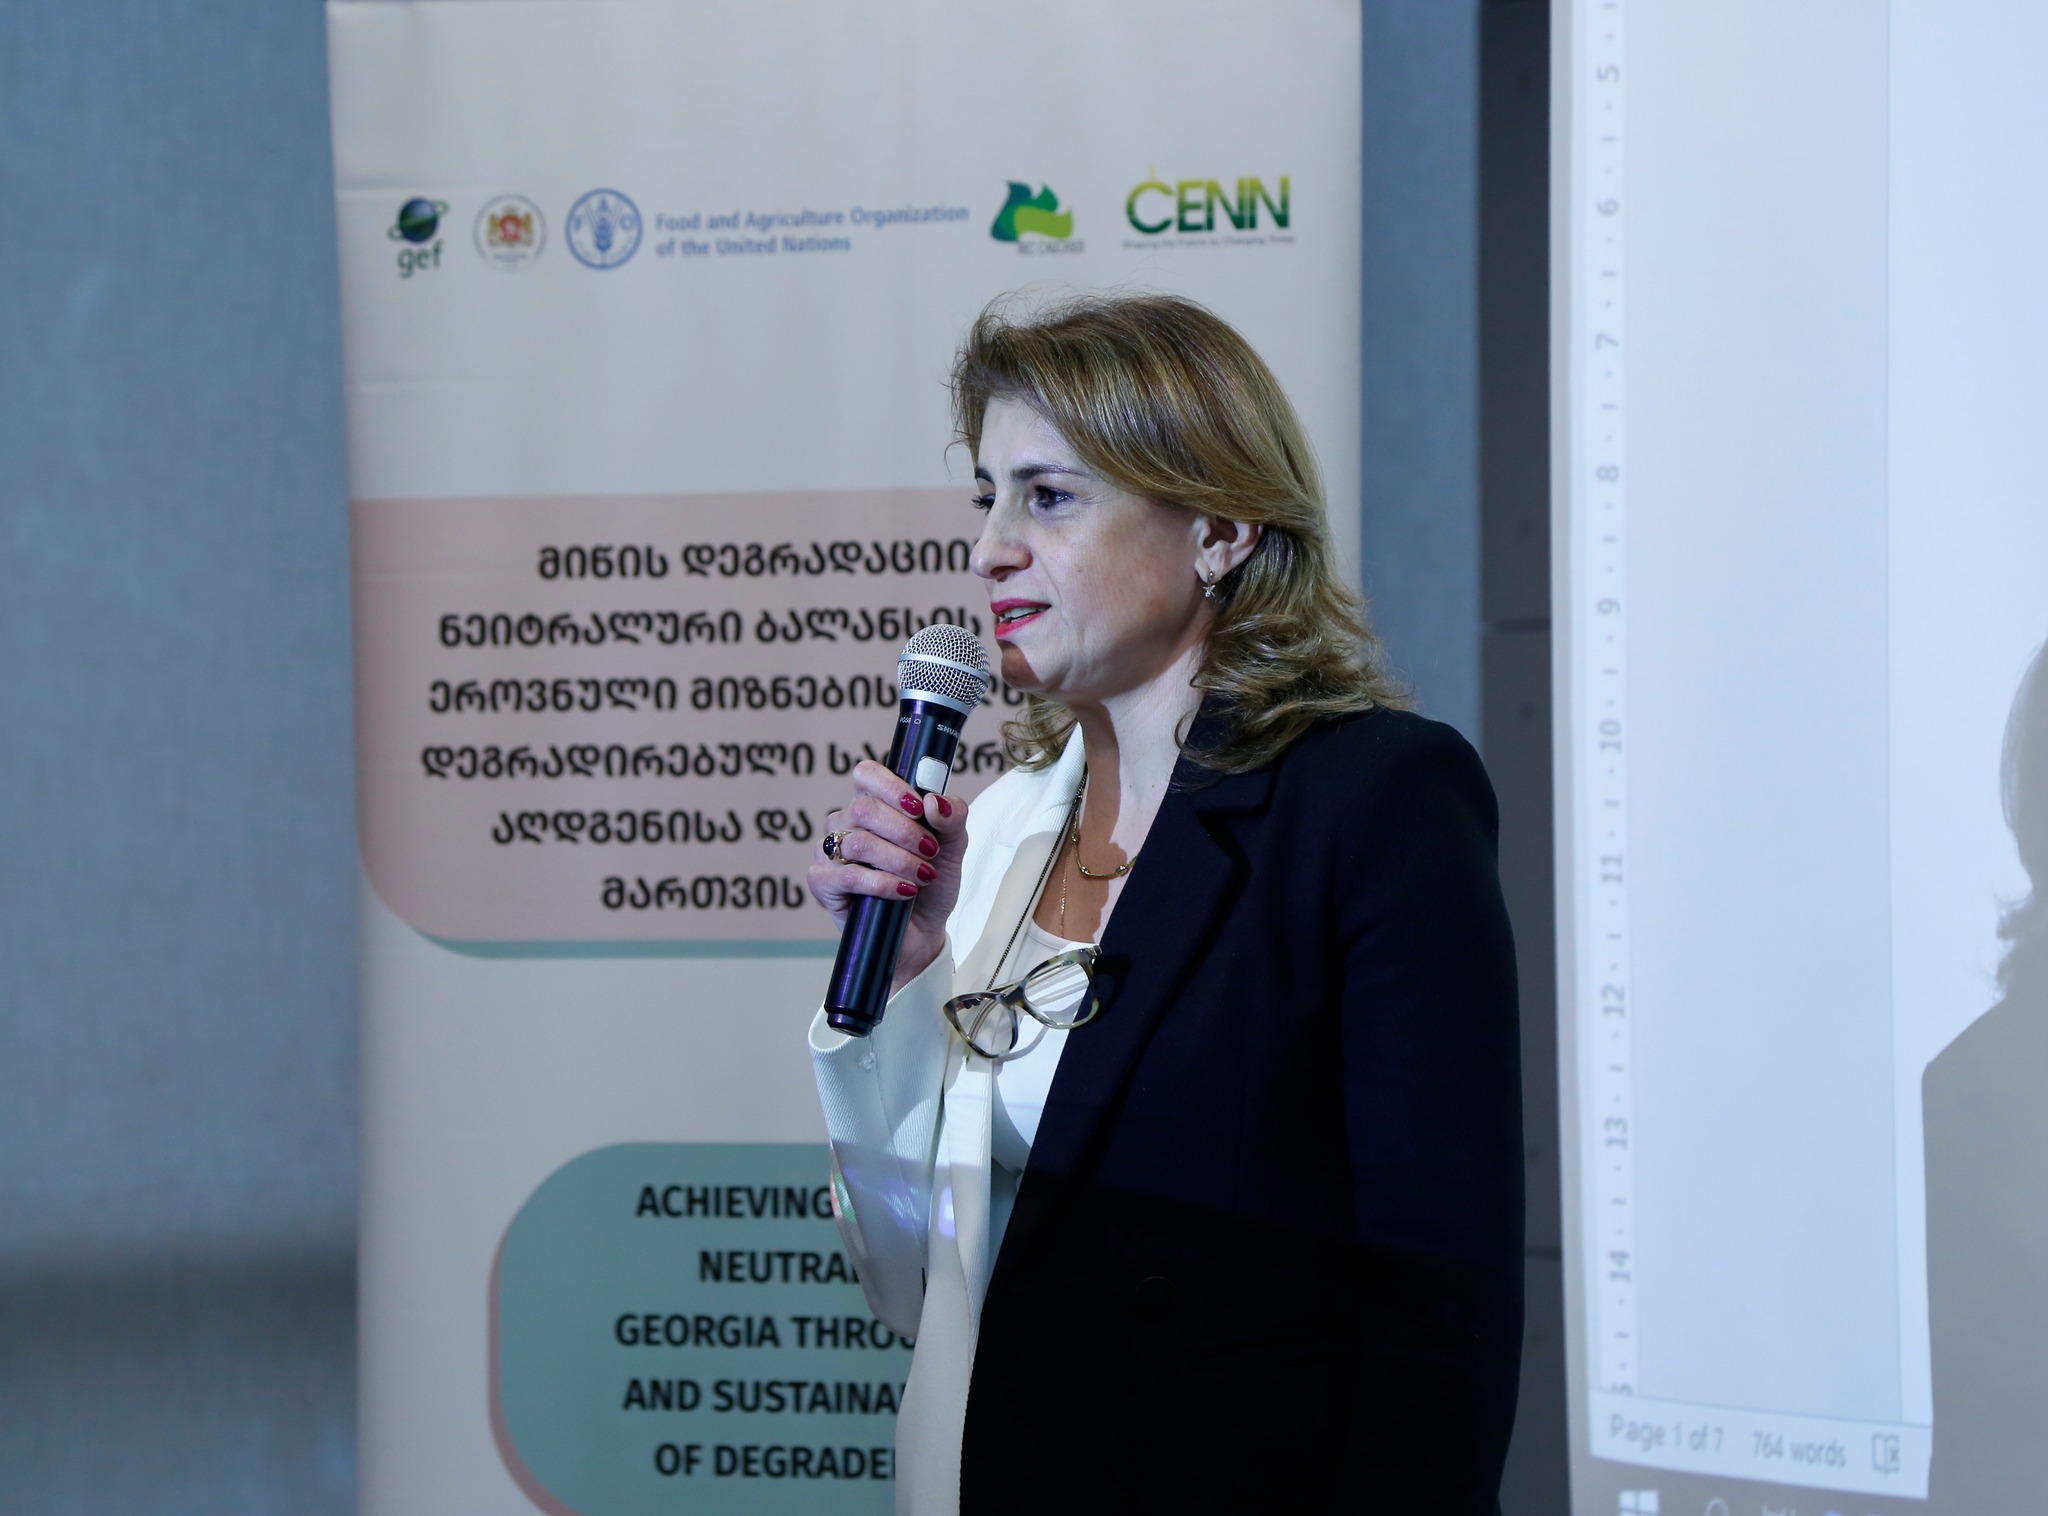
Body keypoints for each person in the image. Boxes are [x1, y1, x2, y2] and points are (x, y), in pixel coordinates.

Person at [806, 293, 1523, 1514]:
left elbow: (1437, 1302)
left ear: (1219, 529)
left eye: (1048, 496)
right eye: (985, 497)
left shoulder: (1373, 798)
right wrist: (907, 972)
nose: (989, 549)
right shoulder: (1000, 826)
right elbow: (906, 1279)